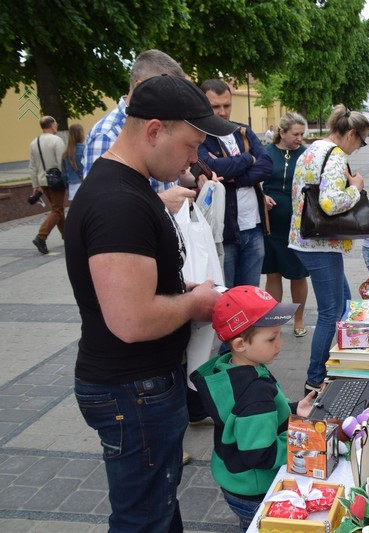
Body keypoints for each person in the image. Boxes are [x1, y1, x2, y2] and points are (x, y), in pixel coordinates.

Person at [65, 75, 236, 532]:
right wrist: (194, 304)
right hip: (132, 388)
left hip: (137, 385)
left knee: (154, 508)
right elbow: (132, 319)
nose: (195, 158)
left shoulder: (128, 187)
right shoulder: (119, 200)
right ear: (154, 130)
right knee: (143, 518)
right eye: (190, 145)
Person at [190, 286, 316, 532]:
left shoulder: (232, 369)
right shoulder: (255, 391)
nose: (280, 343)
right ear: (239, 344)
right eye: (272, 338)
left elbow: (252, 419)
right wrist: (302, 442)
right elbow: (259, 453)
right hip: (254, 488)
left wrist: (292, 410)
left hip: (235, 479)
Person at [288, 105, 369, 393]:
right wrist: (356, 187)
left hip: (305, 238)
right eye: (361, 141)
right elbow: (330, 203)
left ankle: (340, 359)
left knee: (344, 301)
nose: (359, 147)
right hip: (320, 243)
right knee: (331, 311)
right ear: (350, 134)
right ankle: (315, 377)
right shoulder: (335, 156)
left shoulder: (311, 150)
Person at [82, 49, 196, 214]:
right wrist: (160, 202)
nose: (174, 100)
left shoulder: (159, 123)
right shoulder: (106, 134)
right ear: (141, 86)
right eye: (167, 91)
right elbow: (100, 206)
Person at [199, 79, 270, 289]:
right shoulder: (200, 136)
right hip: (224, 232)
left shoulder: (242, 131)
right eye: (215, 107)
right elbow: (211, 168)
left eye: (226, 105)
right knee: (225, 296)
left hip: (254, 227)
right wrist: (248, 159)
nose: (222, 112)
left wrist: (234, 178)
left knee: (250, 297)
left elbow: (267, 166)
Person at [262, 112, 310, 338]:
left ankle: (298, 319)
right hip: (271, 224)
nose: (300, 138)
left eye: (302, 134)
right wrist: (261, 196)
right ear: (281, 133)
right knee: (273, 273)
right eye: (295, 134)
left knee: (298, 274)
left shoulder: (306, 155)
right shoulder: (266, 153)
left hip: (297, 223)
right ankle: (274, 321)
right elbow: (253, 180)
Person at [29, 115, 65, 255]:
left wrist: (35, 185)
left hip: (42, 180)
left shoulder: (34, 142)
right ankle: (41, 236)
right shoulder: (57, 140)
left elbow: (32, 167)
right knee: (57, 210)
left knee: (58, 208)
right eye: (55, 123)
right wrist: (65, 179)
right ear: (52, 125)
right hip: (56, 180)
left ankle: (66, 235)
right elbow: (61, 162)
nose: (56, 126)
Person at [63, 123, 85, 201]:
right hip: (84, 183)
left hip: (72, 185)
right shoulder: (84, 150)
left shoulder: (66, 153)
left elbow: (64, 174)